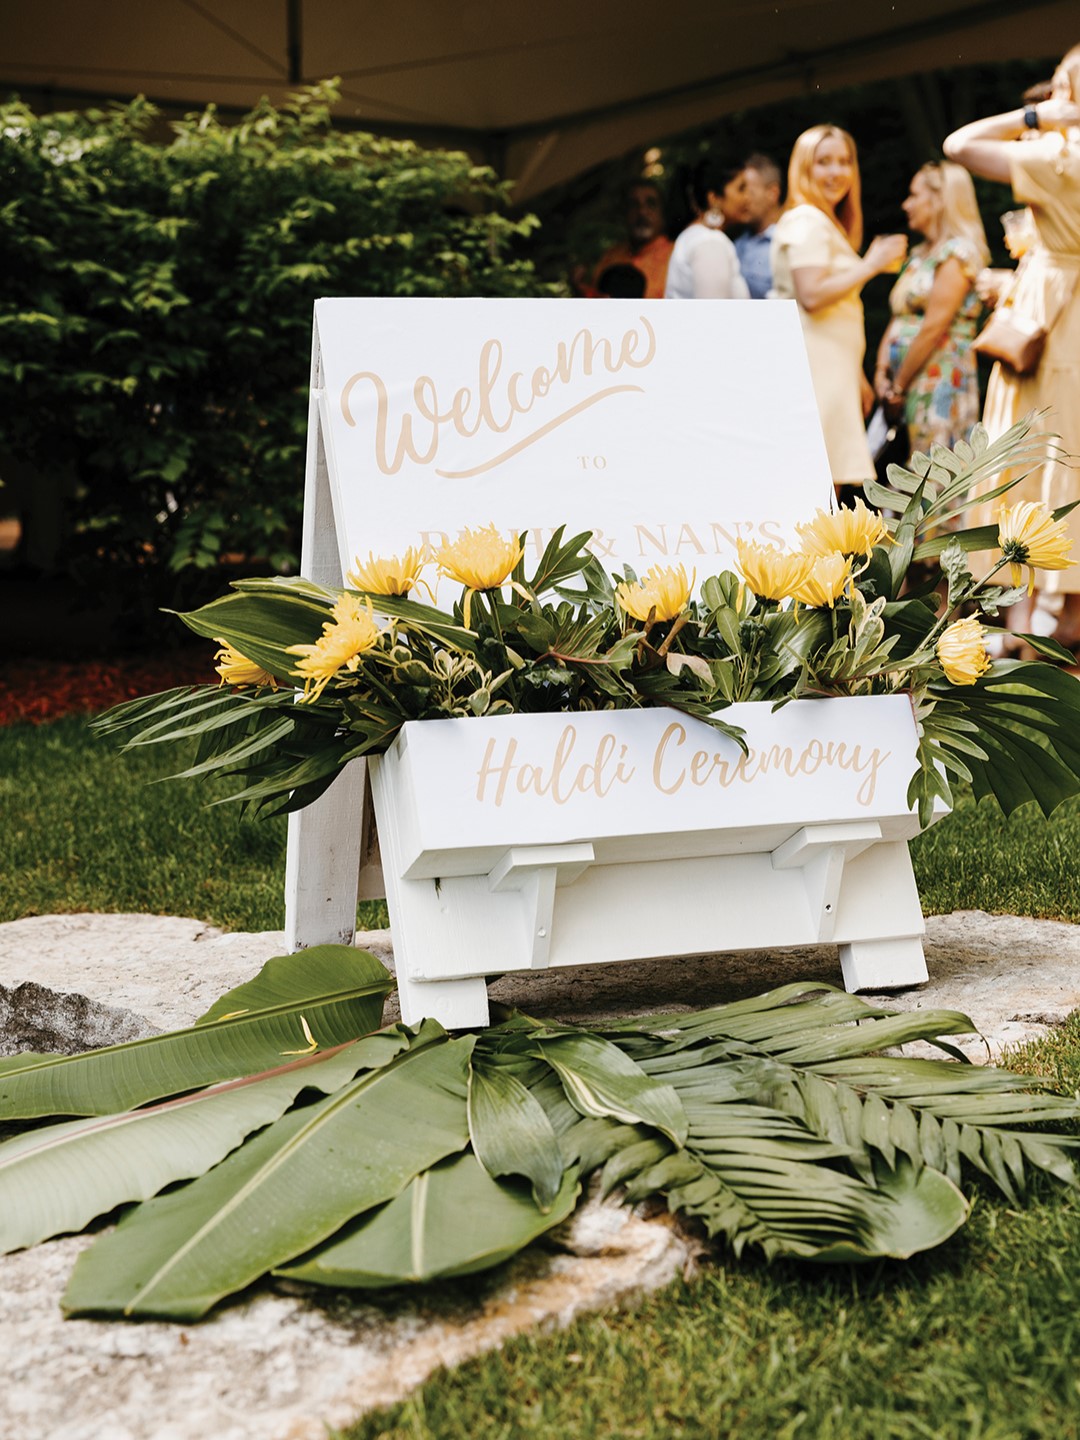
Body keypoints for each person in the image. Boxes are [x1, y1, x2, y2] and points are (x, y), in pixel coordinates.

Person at [944, 44, 1080, 647]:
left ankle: (1023, 623)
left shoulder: (1061, 156)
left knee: (1035, 448)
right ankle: (1066, 620)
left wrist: (1037, 118)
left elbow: (960, 145)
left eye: (1063, 86)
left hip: (1058, 321)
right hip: (1058, 302)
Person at [771, 124, 908, 492]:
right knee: (816, 487)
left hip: (832, 371)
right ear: (804, 168)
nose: (836, 172)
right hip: (815, 370)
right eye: (824, 162)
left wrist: (856, 377)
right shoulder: (807, 220)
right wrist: (871, 264)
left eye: (845, 161)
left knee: (826, 484)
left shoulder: (822, 223)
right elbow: (812, 296)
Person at [873, 162, 989, 458]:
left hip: (938, 386)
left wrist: (897, 387)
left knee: (935, 477)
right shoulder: (916, 256)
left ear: (939, 200)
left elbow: (934, 326)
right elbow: (899, 316)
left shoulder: (957, 254)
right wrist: (881, 373)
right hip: (903, 386)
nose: (906, 204)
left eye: (914, 195)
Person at [663, 156, 751, 300]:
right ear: (714, 198)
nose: (748, 197)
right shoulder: (710, 242)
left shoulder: (697, 236)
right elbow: (713, 315)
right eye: (741, 189)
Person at [589, 180, 674, 300]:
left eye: (651, 204)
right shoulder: (610, 257)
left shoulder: (678, 257)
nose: (642, 212)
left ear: (663, 214)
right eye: (634, 204)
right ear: (624, 213)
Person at [735, 154, 783, 299]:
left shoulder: (786, 242)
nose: (743, 200)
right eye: (740, 191)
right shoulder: (738, 244)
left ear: (772, 194)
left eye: (748, 192)